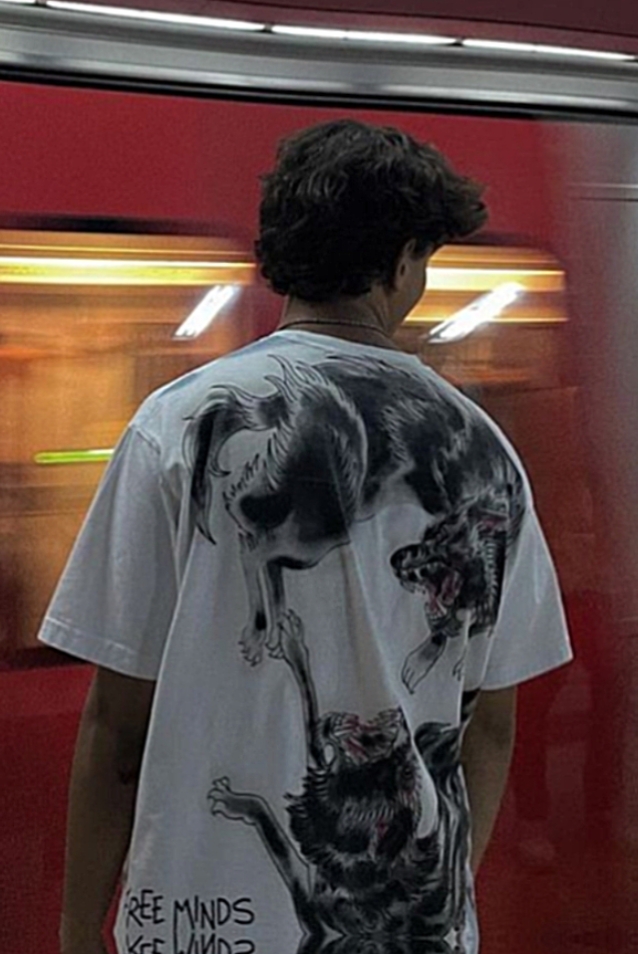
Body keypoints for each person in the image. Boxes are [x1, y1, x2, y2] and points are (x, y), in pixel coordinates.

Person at [40, 120, 572, 954]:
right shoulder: (484, 454)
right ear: (402, 262)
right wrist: (439, 901)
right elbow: (491, 724)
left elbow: (117, 727)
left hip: (200, 927)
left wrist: (78, 929)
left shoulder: (176, 427)